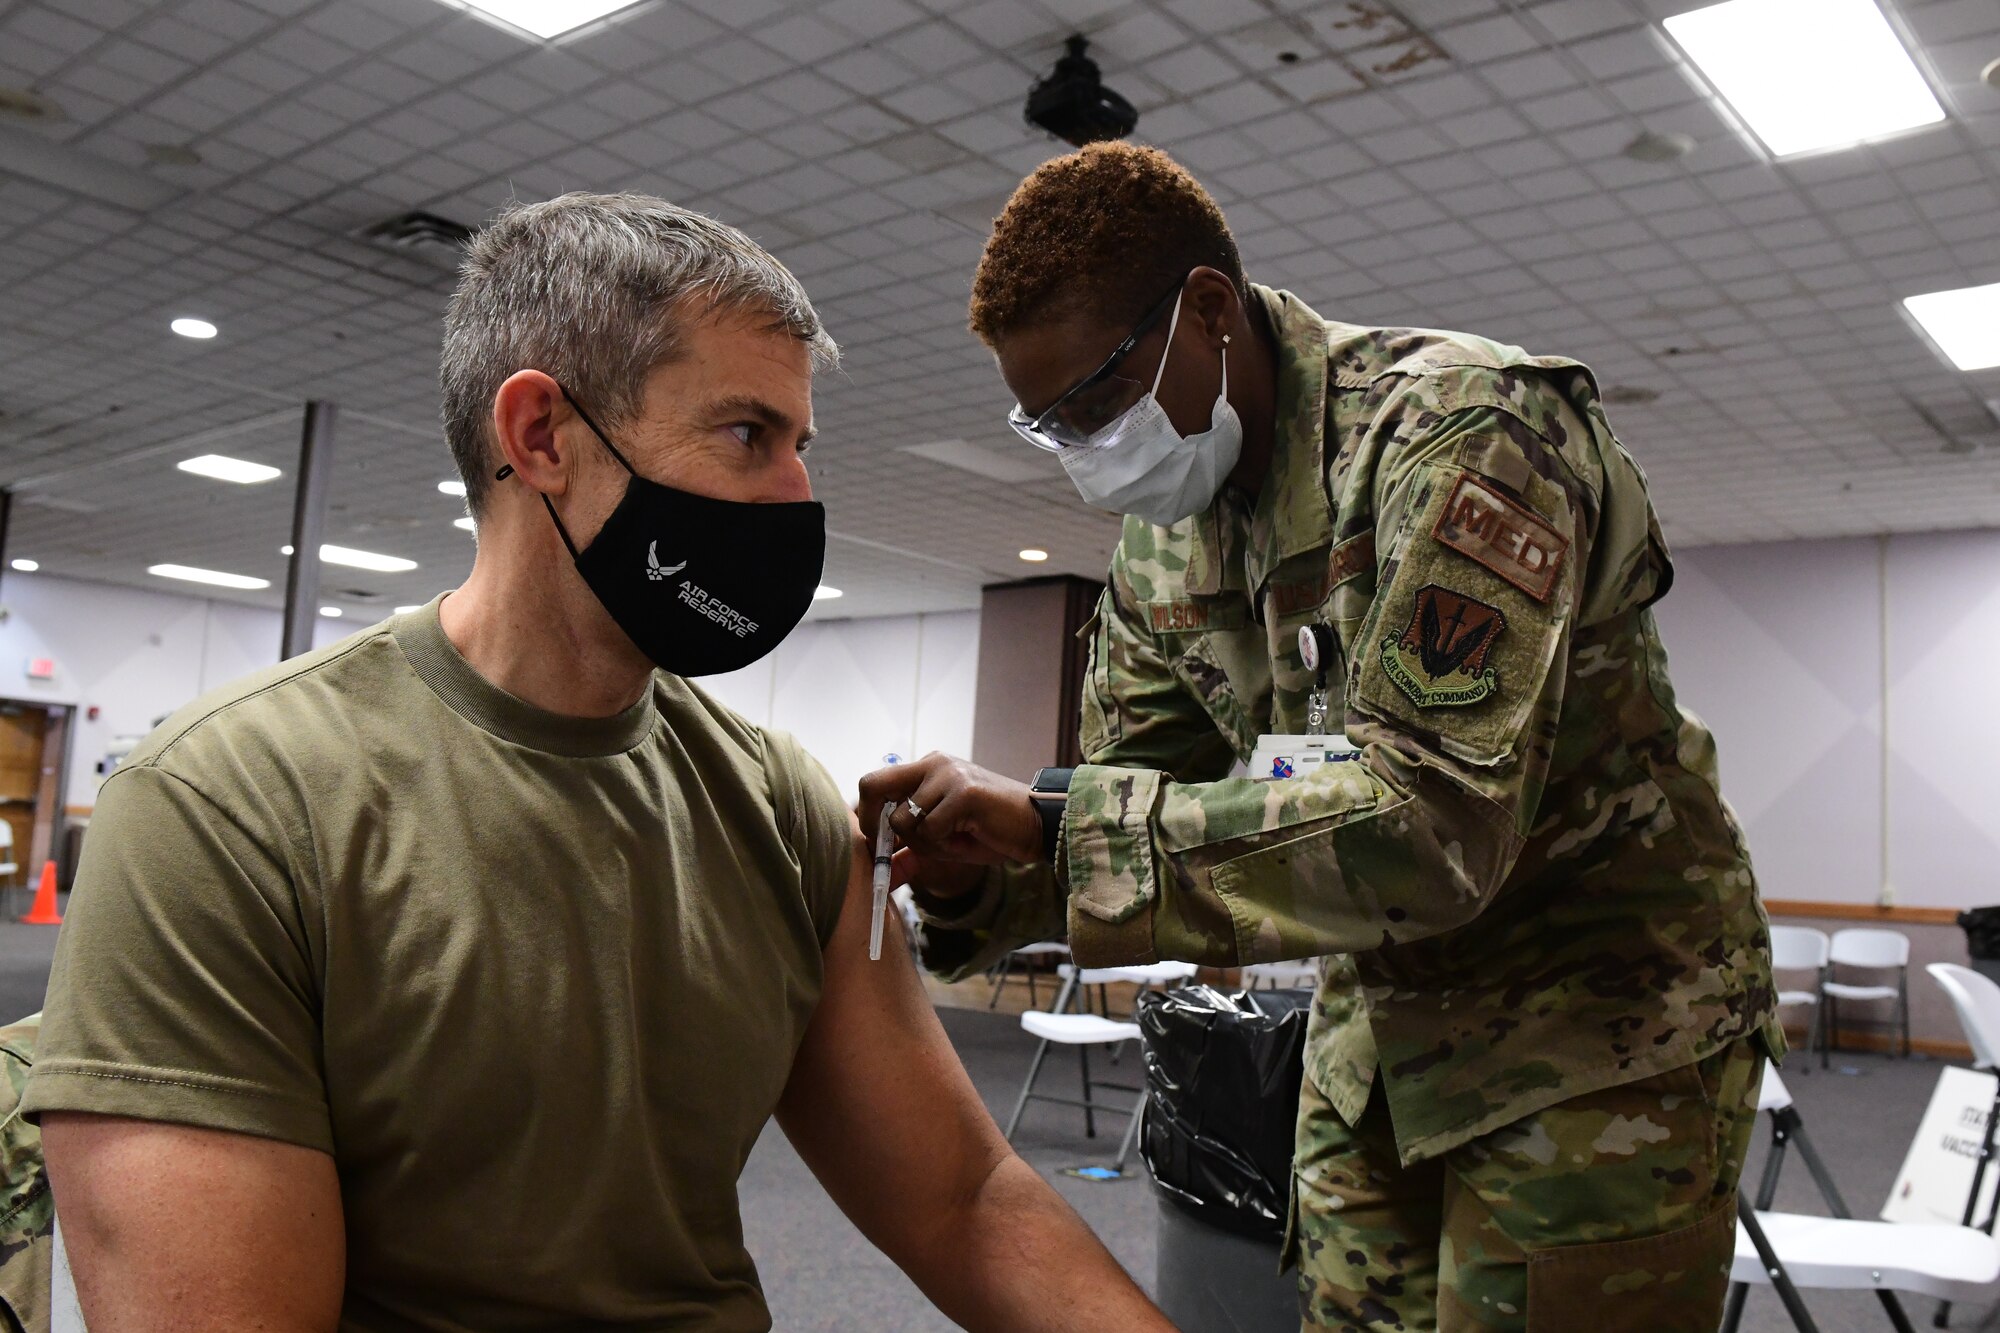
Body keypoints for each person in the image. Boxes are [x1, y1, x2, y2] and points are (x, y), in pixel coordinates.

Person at [26, 193, 1172, 1333]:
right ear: (541, 437)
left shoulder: (778, 808)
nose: (797, 495)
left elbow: (961, 1201)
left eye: (798, 445)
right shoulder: (224, 806)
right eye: (745, 435)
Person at [860, 143, 1781, 1331]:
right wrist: (976, 873)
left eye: (1095, 399)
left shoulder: (1459, 433)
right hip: (1380, 1037)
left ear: (1206, 311)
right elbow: (1126, 800)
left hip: (1597, 1021)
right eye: (1048, 425)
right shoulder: (1165, 543)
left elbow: (1428, 827)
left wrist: (1058, 825)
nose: (1087, 450)